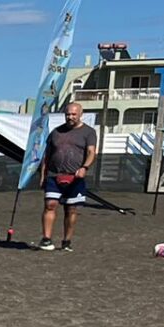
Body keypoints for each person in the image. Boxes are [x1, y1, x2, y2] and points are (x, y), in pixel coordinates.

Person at [39, 102, 98, 252]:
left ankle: (66, 241)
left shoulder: (88, 132)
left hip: (75, 177)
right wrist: (43, 175)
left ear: (80, 114)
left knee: (71, 209)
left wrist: (85, 167)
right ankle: (46, 239)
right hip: (54, 174)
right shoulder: (56, 132)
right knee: (50, 204)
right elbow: (47, 155)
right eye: (68, 114)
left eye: (73, 114)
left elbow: (91, 152)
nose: (70, 117)